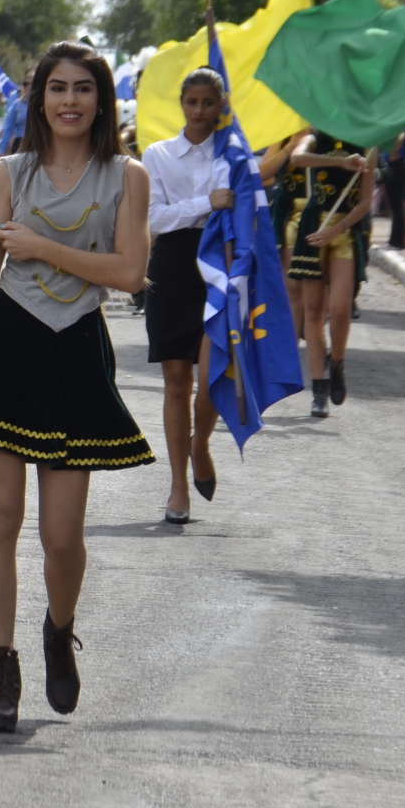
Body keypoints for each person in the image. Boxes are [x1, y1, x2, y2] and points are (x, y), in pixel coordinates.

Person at [0, 41, 153, 733]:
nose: (71, 101)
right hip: (7, 348)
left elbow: (130, 273)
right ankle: (3, 666)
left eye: (84, 89)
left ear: (102, 100)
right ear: (39, 97)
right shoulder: (7, 173)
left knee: (61, 537)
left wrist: (45, 247)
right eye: (59, 88)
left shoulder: (127, 176)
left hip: (77, 347)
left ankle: (59, 628)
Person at [141, 67, 235, 522]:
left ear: (221, 105)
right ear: (181, 103)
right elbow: (155, 219)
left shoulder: (234, 154)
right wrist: (206, 204)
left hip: (220, 266)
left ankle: (200, 442)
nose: (199, 111)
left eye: (208, 103)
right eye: (191, 102)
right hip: (173, 268)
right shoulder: (157, 154)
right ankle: (178, 486)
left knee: (212, 374)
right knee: (176, 381)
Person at [265, 130, 371, 419]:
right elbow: (298, 157)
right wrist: (340, 162)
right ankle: (319, 389)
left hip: (342, 232)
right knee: (313, 312)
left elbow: (365, 202)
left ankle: (336, 361)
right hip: (309, 231)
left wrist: (338, 229)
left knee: (339, 309)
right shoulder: (314, 138)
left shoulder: (368, 144)